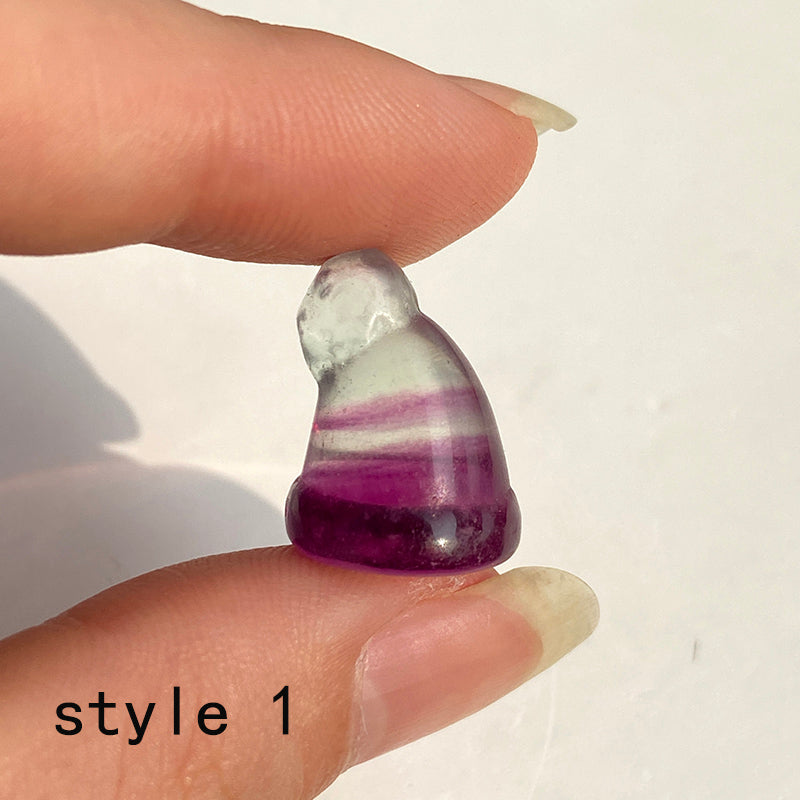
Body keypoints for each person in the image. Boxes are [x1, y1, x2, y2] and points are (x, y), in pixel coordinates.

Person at [0, 1, 598, 796]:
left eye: (324, 308)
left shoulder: (396, 363)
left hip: (418, 520)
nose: (312, 322)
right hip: (423, 522)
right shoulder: (383, 360)